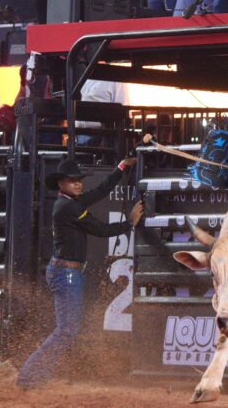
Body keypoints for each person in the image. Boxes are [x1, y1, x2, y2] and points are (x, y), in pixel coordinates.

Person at [16, 157, 144, 390]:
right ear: (61, 184)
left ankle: (33, 377)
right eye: (72, 181)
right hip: (66, 274)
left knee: (67, 329)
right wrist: (129, 224)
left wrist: (120, 169)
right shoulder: (68, 207)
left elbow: (98, 192)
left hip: (67, 272)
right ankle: (28, 377)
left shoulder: (68, 203)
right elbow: (100, 229)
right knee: (67, 329)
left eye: (78, 180)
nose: (77, 184)